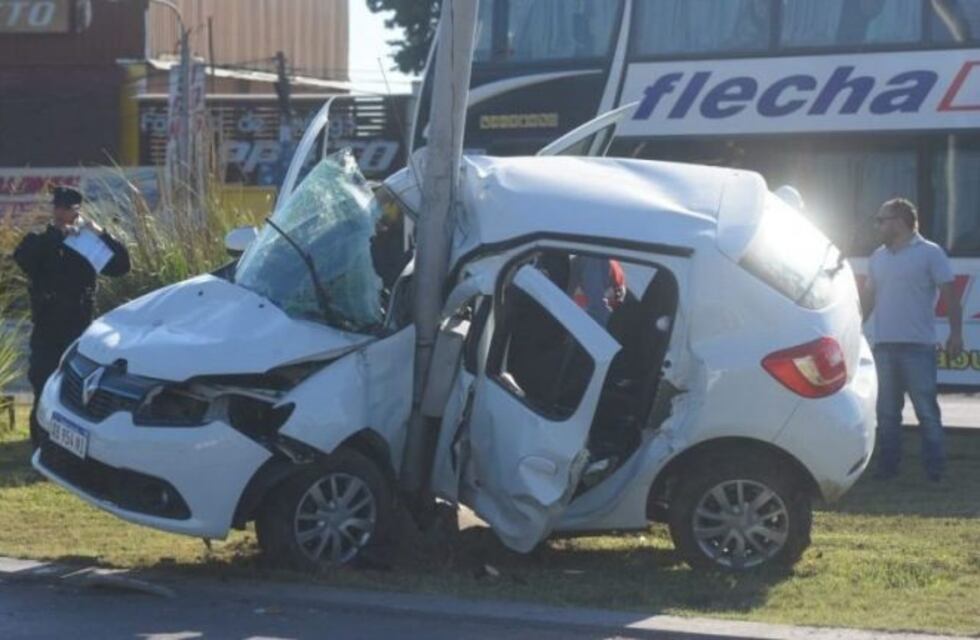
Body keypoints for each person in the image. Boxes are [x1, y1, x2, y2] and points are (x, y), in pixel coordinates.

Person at [13, 186, 131, 449]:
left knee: (76, 389)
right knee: (43, 381)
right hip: (47, 326)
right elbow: (24, 259)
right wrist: (58, 236)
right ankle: (41, 444)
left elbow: (121, 266)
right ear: (54, 209)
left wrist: (99, 232)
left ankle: (71, 446)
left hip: (79, 325)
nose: (65, 213)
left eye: (71, 209)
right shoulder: (40, 240)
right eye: (62, 208)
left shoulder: (87, 242)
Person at [862, 198, 963, 482]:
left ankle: (935, 469)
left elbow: (951, 297)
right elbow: (868, 298)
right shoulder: (878, 257)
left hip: (919, 347)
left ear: (900, 221)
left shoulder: (930, 253)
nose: (878, 225)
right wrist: (854, 328)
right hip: (884, 346)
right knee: (887, 413)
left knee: (926, 412)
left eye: (882, 220)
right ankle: (888, 468)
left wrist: (956, 334)